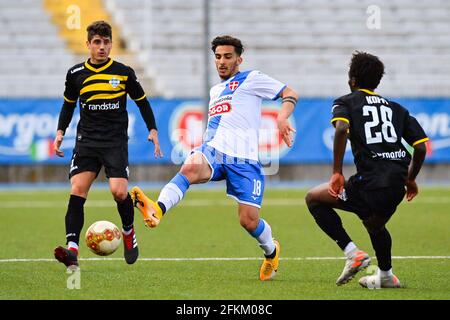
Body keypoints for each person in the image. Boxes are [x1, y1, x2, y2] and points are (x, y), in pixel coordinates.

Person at [131, 35, 298, 281]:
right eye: (218, 57)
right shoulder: (216, 90)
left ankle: (271, 252)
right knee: (190, 167)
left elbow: (289, 93)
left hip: (244, 160)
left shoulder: (251, 79)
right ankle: (158, 208)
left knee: (249, 221)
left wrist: (282, 117)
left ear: (239, 59)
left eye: (228, 57)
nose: (221, 62)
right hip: (215, 151)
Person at [305, 51, 428, 288]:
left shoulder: (346, 102)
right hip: (396, 185)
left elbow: (341, 129)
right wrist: (411, 179)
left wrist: (337, 172)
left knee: (314, 198)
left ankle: (353, 254)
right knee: (374, 224)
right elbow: (421, 147)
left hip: (369, 183)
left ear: (352, 80)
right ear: (378, 81)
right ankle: (385, 276)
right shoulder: (397, 109)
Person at [53, 21, 162, 268]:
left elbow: (142, 102)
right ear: (88, 44)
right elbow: (68, 105)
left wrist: (152, 130)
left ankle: (128, 232)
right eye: (97, 42)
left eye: (106, 42)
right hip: (87, 142)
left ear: (111, 44)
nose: (102, 47)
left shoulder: (123, 72)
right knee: (77, 189)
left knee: (119, 192)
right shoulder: (75, 74)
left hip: (114, 142)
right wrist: (61, 131)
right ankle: (72, 250)